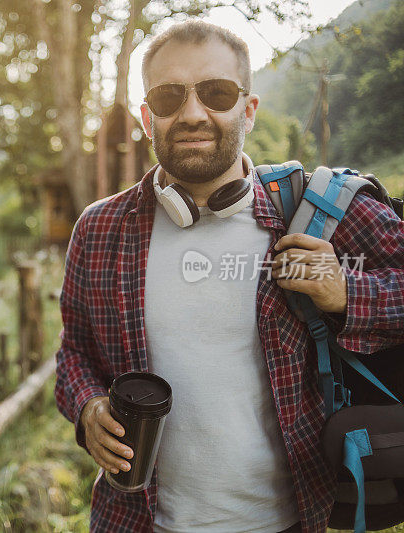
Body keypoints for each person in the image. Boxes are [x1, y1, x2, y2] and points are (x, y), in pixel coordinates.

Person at [54, 20, 404, 533]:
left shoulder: (315, 210)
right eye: (170, 97)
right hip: (134, 520)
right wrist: (87, 407)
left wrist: (347, 292)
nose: (193, 113)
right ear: (148, 119)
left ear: (249, 109)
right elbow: (73, 353)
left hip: (288, 519)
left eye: (216, 93)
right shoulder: (99, 229)